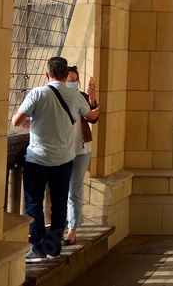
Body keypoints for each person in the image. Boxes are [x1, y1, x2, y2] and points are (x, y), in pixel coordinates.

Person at [12, 57, 90, 262]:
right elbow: (88, 114)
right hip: (64, 159)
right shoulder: (74, 96)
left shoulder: (38, 93)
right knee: (59, 202)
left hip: (37, 158)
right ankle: (54, 245)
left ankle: (38, 247)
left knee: (34, 203)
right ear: (66, 76)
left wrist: (33, 118)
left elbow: (16, 120)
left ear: (47, 74)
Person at [63, 66, 100, 246]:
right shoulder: (56, 96)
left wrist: (92, 100)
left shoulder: (82, 97)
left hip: (81, 150)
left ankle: (73, 229)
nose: (73, 83)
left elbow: (93, 118)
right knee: (60, 189)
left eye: (76, 79)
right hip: (61, 150)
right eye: (70, 79)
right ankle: (59, 225)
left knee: (74, 189)